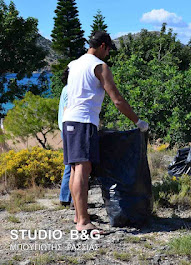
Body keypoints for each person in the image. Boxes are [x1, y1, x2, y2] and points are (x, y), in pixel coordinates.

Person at [63, 31, 149, 233]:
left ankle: (78, 216)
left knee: (76, 169)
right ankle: (83, 222)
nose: (108, 54)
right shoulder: (99, 66)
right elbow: (117, 99)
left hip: (69, 120)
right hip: (84, 121)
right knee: (83, 170)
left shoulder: (73, 64)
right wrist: (138, 121)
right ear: (103, 46)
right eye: (108, 50)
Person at [58, 68, 72, 207]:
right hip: (69, 130)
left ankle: (66, 197)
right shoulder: (70, 90)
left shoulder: (65, 89)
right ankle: (67, 197)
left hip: (65, 129)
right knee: (73, 164)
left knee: (70, 163)